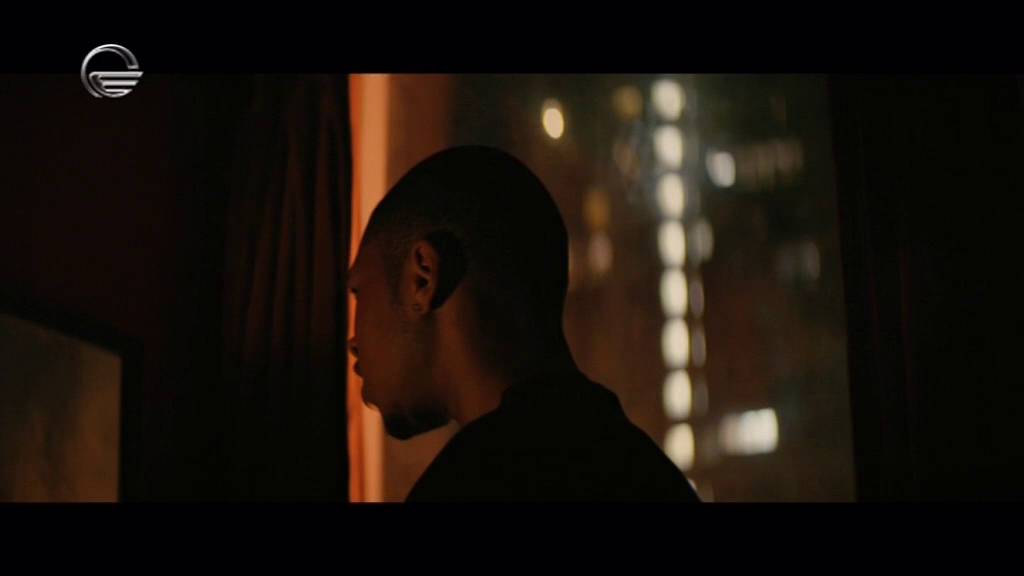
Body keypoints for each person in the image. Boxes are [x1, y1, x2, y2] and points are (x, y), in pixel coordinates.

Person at [347, 145, 699, 502]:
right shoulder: (646, 471)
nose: (353, 342)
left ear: (422, 278)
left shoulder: (474, 483)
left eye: (359, 292)